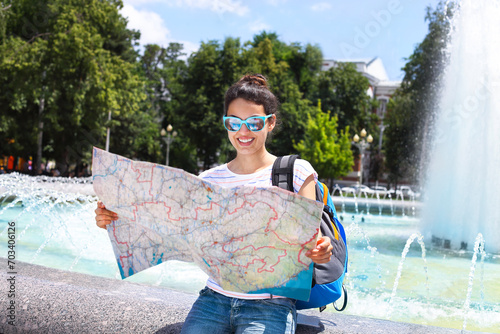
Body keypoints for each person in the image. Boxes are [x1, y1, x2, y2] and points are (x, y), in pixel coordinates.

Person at [95, 74, 333, 334]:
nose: (243, 132)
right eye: (233, 122)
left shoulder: (296, 171)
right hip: (214, 299)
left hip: (270, 305)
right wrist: (114, 217)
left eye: (254, 122)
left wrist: (321, 250)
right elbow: (167, 230)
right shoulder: (208, 180)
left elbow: (313, 241)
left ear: (271, 122)